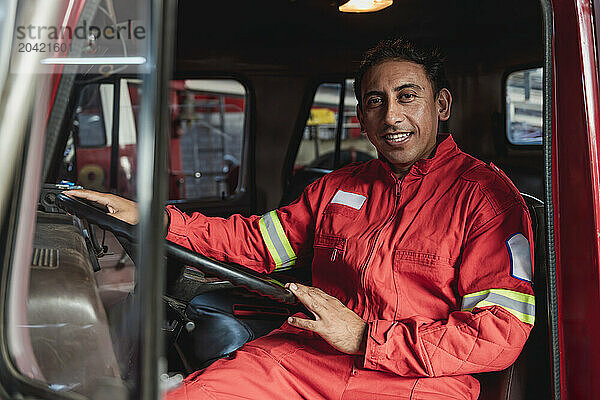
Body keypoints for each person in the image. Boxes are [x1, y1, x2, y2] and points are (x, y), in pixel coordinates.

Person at [66, 38, 535, 400]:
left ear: (442, 105)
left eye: (408, 96)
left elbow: (499, 333)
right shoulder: (337, 187)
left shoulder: (487, 199)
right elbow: (255, 243)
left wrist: (367, 338)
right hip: (303, 359)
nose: (392, 115)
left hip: (418, 380)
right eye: (376, 101)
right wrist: (153, 220)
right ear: (361, 117)